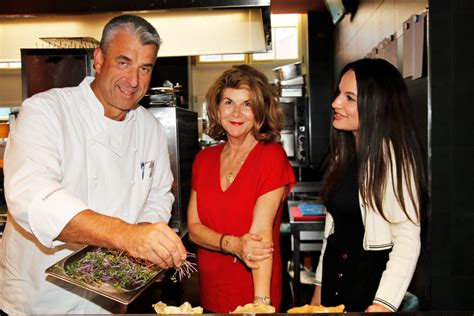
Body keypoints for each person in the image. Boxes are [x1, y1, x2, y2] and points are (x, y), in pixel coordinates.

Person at [0, 14, 187, 314]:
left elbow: (159, 193)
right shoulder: (46, 112)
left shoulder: (149, 128)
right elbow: (31, 196)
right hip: (41, 300)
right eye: (123, 62)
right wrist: (127, 235)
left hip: (109, 301)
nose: (134, 81)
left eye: (144, 68)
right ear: (99, 59)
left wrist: (145, 232)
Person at [310, 58, 428, 312]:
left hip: (367, 293)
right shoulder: (345, 153)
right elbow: (333, 231)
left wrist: (382, 306)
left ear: (376, 105)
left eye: (349, 98)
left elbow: (407, 238)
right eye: (339, 93)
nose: (335, 103)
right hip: (334, 289)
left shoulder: (394, 159)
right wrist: (318, 293)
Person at [187, 65, 296, 313]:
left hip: (253, 294)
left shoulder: (271, 156)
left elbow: (260, 239)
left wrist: (261, 304)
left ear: (260, 111)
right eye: (228, 102)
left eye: (247, 104)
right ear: (216, 108)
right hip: (211, 292)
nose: (237, 112)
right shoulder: (204, 160)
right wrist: (231, 244)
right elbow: (194, 230)